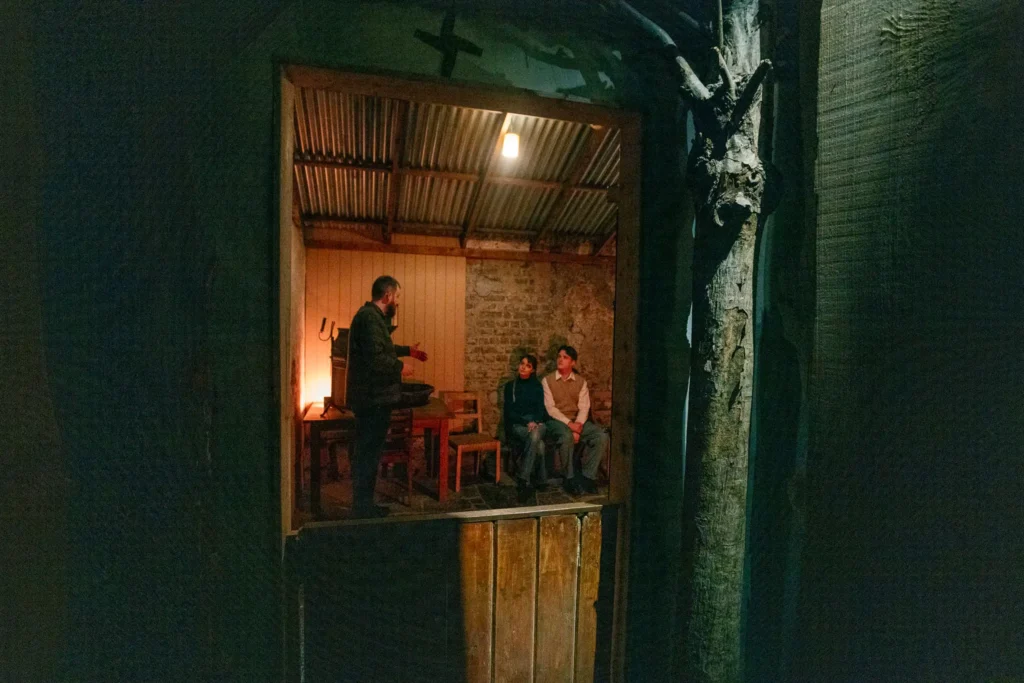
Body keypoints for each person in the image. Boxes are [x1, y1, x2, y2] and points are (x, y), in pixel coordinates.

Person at [346, 275, 427, 517]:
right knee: (368, 454)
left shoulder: (372, 318)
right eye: (397, 297)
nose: (398, 302)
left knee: (369, 453)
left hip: (374, 400)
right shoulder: (370, 318)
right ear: (388, 296)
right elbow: (376, 358)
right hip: (372, 401)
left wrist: (408, 351)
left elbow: (384, 348)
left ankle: (364, 505)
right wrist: (401, 367)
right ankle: (362, 508)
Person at [542, 345, 608, 495]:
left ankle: (587, 477)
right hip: (556, 421)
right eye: (559, 356)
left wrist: (578, 425)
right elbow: (551, 408)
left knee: (601, 436)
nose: (560, 359)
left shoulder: (581, 382)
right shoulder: (547, 381)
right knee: (566, 437)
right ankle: (569, 478)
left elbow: (584, 407)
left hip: (577, 420)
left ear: (573, 362)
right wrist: (570, 425)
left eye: (565, 357)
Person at [503, 354, 549, 503]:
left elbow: (541, 409)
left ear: (533, 370)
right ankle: (542, 479)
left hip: (537, 424)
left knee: (535, 434)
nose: (523, 367)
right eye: (522, 363)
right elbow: (509, 412)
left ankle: (523, 479)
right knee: (538, 443)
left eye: (528, 365)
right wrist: (526, 421)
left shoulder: (537, 386)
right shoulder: (511, 386)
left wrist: (535, 420)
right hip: (518, 425)